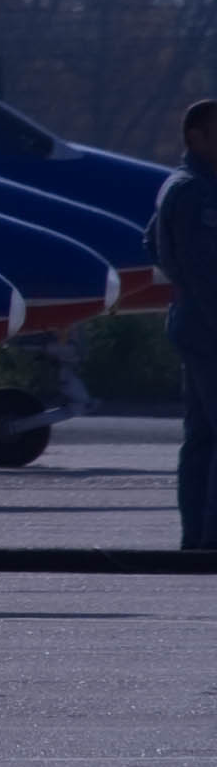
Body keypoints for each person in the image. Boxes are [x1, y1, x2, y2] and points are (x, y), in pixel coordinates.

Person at [149, 98, 217, 550]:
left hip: (193, 322)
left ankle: (197, 537)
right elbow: (204, 269)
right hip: (208, 326)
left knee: (202, 436)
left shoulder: (183, 184)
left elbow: (150, 241)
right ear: (196, 137)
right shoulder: (197, 191)